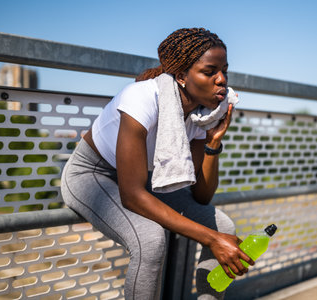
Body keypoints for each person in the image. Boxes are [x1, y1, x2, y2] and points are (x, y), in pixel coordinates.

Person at [60, 28, 254, 299]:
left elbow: (200, 195)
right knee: (150, 240)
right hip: (93, 174)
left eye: (224, 71)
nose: (221, 80)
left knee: (223, 226)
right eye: (210, 72)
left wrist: (213, 142)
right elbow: (132, 195)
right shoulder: (141, 97)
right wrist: (210, 239)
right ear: (182, 76)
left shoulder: (201, 116)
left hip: (146, 180)